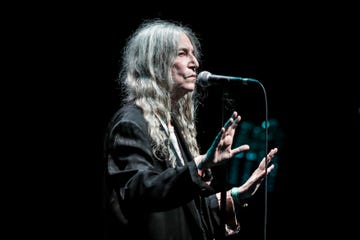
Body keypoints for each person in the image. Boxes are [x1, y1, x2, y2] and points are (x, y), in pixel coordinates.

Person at [103, 19, 278, 240]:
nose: (195, 62)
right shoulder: (131, 123)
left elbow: (187, 213)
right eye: (182, 53)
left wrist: (236, 194)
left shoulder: (170, 126)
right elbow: (139, 191)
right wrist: (201, 165)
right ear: (156, 63)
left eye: (193, 54)